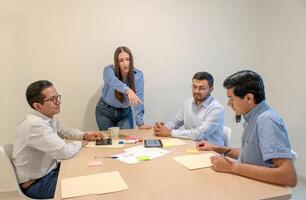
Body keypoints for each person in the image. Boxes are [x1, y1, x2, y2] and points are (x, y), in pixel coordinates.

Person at [196, 70, 297, 187]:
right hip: (247, 182)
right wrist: (216, 147)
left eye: (231, 99)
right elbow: (251, 154)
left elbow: (288, 176)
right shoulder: (253, 117)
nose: (229, 104)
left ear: (249, 98)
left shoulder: (267, 120)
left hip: (260, 189)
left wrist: (231, 167)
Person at [13, 80, 104, 199]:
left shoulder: (47, 118)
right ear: (37, 106)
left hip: (49, 172)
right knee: (90, 184)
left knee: (88, 170)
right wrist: (81, 143)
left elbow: (66, 131)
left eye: (58, 97)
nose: (59, 102)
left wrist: (85, 135)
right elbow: (64, 152)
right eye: (53, 99)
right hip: (37, 183)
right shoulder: (34, 125)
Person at [154, 71, 224, 145]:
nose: (196, 91)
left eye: (201, 88)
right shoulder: (188, 103)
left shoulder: (217, 108)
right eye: (194, 87)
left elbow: (199, 134)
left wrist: (170, 132)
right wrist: (162, 128)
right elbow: (176, 122)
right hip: (190, 146)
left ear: (211, 89)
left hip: (211, 151)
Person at [95, 46, 151, 130]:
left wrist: (140, 123)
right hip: (105, 111)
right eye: (121, 60)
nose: (125, 63)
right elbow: (113, 81)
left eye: (127, 59)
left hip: (124, 113)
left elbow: (138, 99)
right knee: (108, 142)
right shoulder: (109, 70)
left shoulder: (138, 75)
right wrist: (128, 90)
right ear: (117, 62)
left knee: (126, 141)